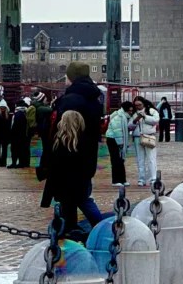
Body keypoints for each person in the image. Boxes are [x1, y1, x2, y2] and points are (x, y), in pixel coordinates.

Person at [42, 62, 103, 227]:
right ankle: (97, 226)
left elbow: (62, 129)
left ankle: (74, 229)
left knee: (71, 199)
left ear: (72, 77)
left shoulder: (71, 100)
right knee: (83, 197)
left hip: (68, 155)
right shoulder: (94, 99)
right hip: (86, 156)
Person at [42, 110, 108, 237]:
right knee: (85, 202)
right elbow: (90, 162)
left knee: (68, 204)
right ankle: (99, 226)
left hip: (63, 181)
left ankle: (69, 227)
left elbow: (53, 163)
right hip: (81, 180)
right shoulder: (86, 139)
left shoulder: (57, 140)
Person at [129, 96, 159, 187]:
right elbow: (129, 126)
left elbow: (156, 120)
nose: (138, 107)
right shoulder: (134, 113)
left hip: (149, 136)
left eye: (140, 105)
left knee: (151, 158)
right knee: (140, 159)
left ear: (144, 103)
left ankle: (153, 178)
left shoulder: (151, 111)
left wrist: (145, 117)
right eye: (136, 105)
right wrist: (135, 121)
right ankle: (141, 178)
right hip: (138, 137)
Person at [105, 101, 134, 186]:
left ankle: (122, 179)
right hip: (113, 139)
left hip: (116, 139)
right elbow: (117, 131)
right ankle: (116, 180)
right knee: (116, 160)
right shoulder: (119, 117)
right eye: (130, 110)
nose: (131, 112)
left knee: (120, 159)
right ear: (126, 110)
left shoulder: (123, 117)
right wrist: (120, 143)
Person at [9, 101, 30, 169]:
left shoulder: (18, 114)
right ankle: (21, 163)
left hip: (16, 135)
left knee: (14, 149)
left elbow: (15, 125)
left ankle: (14, 163)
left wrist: (12, 133)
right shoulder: (24, 113)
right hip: (23, 135)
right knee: (21, 149)